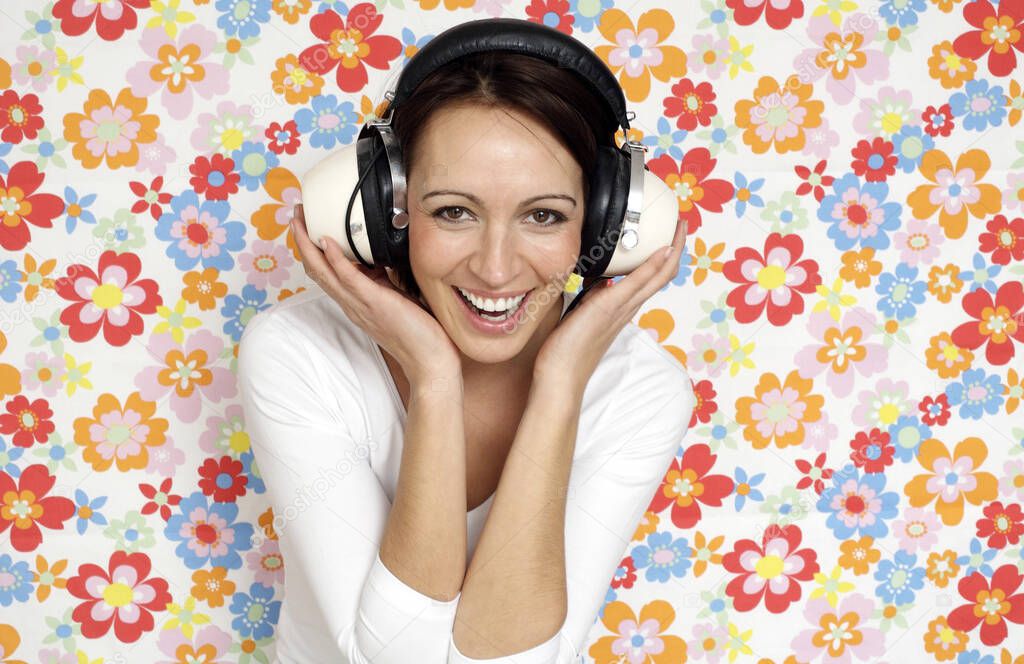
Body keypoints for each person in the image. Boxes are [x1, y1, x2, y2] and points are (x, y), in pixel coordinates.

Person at [236, 46, 694, 663]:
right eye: (453, 211)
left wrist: (559, 386)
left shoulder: (642, 390)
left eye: (543, 215)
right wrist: (434, 379)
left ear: (603, 228)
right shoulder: (298, 353)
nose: (496, 267)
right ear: (387, 216)